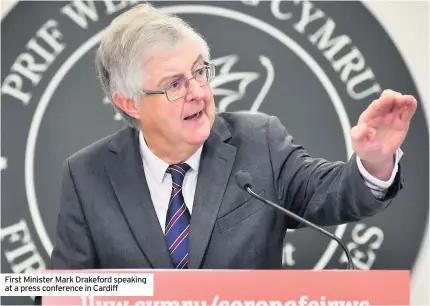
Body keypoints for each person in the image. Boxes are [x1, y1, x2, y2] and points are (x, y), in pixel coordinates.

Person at [49, 3, 416, 271]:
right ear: (129, 103)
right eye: (174, 84)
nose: (198, 92)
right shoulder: (88, 175)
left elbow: (332, 193)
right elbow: (62, 291)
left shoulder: (259, 142)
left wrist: (375, 161)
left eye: (199, 72)